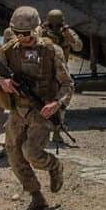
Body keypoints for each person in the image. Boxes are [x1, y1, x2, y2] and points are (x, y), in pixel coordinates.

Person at [0, 6, 73, 210]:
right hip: (18, 111)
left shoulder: (52, 51)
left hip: (42, 111)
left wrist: (57, 104)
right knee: (14, 154)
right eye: (17, 33)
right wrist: (1, 81)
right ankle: (37, 197)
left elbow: (67, 85)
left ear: (37, 29)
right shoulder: (7, 51)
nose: (22, 37)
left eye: (26, 33)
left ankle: (55, 166)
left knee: (32, 153)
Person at [37, 9, 83, 144]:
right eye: (54, 24)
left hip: (61, 72)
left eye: (58, 24)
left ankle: (57, 131)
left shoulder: (67, 32)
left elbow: (78, 47)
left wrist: (68, 33)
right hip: (43, 71)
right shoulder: (42, 32)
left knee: (60, 103)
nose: (56, 27)